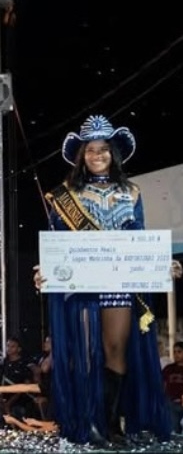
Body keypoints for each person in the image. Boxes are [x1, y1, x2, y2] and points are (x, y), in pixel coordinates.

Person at [33, 115, 182, 443]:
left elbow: (139, 238)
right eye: (90, 150)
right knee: (87, 352)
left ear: (113, 153)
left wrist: (161, 264)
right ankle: (89, 422)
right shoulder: (65, 195)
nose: (97, 155)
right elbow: (57, 242)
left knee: (116, 349)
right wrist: (45, 270)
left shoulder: (131, 192)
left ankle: (112, 424)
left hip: (118, 283)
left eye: (103, 149)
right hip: (83, 284)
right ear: (81, 155)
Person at [163, 341, 183, 433]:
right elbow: (162, 383)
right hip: (171, 403)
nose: (176, 354)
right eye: (174, 352)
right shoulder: (169, 368)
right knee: (173, 431)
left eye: (179, 352)